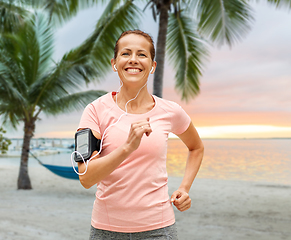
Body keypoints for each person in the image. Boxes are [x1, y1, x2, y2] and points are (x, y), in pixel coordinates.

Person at [75, 30, 204, 239]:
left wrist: (185, 188)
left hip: (159, 229)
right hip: (106, 230)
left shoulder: (170, 111)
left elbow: (196, 147)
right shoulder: (95, 110)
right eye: (126, 54)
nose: (133, 60)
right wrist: (127, 148)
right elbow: (86, 177)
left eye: (142, 54)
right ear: (114, 63)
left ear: (152, 66)